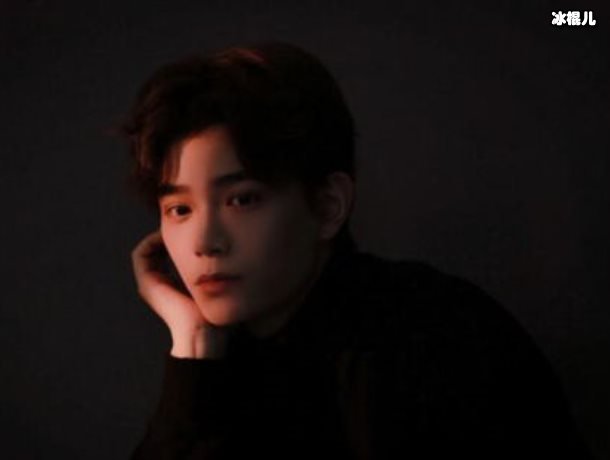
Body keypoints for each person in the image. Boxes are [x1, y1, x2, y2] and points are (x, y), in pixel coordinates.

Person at [121, 42, 592, 459]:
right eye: (179, 209)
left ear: (328, 206)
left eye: (242, 199)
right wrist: (193, 343)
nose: (204, 243)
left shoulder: (436, 338)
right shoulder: (225, 359)